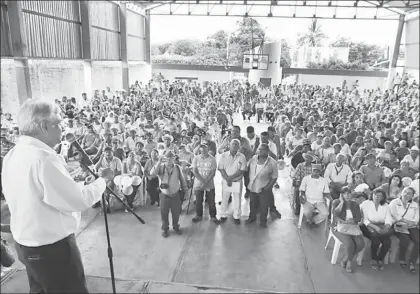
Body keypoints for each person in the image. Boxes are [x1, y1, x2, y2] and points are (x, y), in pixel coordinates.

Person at [1, 100, 108, 293]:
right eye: (58, 123)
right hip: (53, 251)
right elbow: (78, 200)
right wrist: (102, 182)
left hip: (27, 246)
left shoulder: (13, 154)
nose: (62, 128)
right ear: (44, 126)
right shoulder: (44, 159)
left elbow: (38, 193)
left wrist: (75, 182)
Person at [150, 150, 188, 238]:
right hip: (164, 194)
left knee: (176, 213)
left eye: (171, 158)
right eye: (167, 158)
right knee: (164, 213)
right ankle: (165, 229)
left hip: (175, 194)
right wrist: (159, 162)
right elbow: (152, 173)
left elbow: (182, 180)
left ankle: (176, 226)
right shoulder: (161, 167)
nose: (169, 160)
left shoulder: (177, 168)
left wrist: (185, 190)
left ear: (174, 158)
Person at [332, 186, 365, 273]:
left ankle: (346, 257)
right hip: (340, 227)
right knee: (350, 244)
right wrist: (342, 203)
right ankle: (349, 262)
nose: (347, 195)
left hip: (353, 226)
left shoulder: (355, 204)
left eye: (348, 193)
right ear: (341, 195)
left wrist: (353, 220)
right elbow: (334, 215)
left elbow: (358, 218)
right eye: (344, 193)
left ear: (351, 194)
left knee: (361, 243)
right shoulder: (336, 202)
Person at [245, 143, 278, 228]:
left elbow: (274, 177)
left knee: (264, 206)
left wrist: (268, 187)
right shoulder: (254, 158)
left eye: (263, 149)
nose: (260, 151)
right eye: (259, 149)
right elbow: (248, 169)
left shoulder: (272, 162)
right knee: (252, 204)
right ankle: (252, 218)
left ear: (267, 151)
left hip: (264, 188)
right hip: (253, 186)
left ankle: (263, 222)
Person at [360, 188, 393, 271]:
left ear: (383, 198)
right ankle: (374, 258)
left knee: (387, 241)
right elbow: (364, 220)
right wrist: (376, 227)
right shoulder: (366, 204)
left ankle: (380, 259)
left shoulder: (385, 205)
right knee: (375, 238)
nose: (377, 197)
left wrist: (387, 226)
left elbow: (388, 218)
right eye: (375, 195)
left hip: (382, 226)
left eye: (380, 196)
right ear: (372, 195)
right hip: (368, 225)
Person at [389, 187, 419, 273]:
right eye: (405, 191)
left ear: (413, 196)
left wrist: (410, 224)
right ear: (402, 192)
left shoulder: (415, 205)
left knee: (418, 241)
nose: (406, 194)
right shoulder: (394, 202)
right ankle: (402, 259)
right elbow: (394, 215)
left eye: (409, 193)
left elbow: (416, 218)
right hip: (399, 225)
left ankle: (412, 262)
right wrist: (405, 222)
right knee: (405, 239)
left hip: (412, 226)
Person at [218, 139, 247, 224]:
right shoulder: (224, 155)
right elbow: (221, 168)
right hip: (226, 180)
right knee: (224, 198)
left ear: (239, 146)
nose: (234, 145)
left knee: (237, 199)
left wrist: (231, 178)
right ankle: (223, 215)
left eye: (236, 144)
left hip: (237, 181)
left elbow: (242, 170)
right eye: (233, 144)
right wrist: (227, 179)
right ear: (229, 145)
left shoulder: (242, 156)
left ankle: (237, 216)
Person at [191, 143, 219, 224]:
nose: (203, 152)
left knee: (211, 201)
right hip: (198, 184)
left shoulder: (212, 159)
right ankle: (198, 215)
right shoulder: (196, 158)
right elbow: (194, 171)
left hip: (209, 184)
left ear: (208, 150)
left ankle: (213, 216)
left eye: (205, 150)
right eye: (202, 151)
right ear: (200, 151)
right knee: (198, 201)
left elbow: (213, 173)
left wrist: (205, 182)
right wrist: (203, 182)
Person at [299, 164, 330, 228]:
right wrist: (301, 196)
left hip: (319, 201)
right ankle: (310, 222)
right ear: (311, 171)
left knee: (325, 213)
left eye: (317, 171)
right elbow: (302, 190)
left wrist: (329, 199)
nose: (315, 172)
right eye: (314, 171)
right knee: (307, 212)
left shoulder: (324, 180)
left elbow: (326, 192)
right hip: (308, 200)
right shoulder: (306, 178)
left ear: (320, 172)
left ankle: (312, 221)